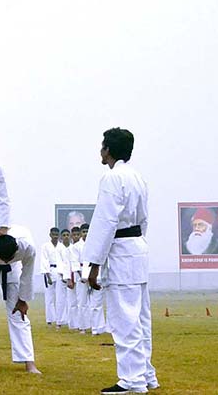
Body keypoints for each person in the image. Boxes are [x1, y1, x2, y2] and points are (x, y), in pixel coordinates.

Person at [83, 127, 159, 394]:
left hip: (121, 249)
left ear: (108, 150)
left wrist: (93, 264)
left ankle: (132, 380)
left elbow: (105, 222)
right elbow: (145, 219)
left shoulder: (112, 178)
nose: (100, 151)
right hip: (137, 247)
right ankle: (147, 374)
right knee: (140, 318)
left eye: (102, 146)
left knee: (124, 319)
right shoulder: (138, 177)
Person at [0, 224, 41, 374]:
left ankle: (29, 363)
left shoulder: (27, 244)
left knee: (19, 315)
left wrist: (23, 300)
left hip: (13, 270)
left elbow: (27, 273)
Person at [71, 224, 91, 333]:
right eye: (84, 232)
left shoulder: (94, 244)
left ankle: (95, 326)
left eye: (88, 232)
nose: (86, 234)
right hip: (81, 275)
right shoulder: (76, 246)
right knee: (82, 301)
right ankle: (82, 326)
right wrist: (82, 276)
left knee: (94, 302)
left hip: (93, 273)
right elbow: (75, 262)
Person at [38, 227, 60, 325]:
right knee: (49, 297)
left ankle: (61, 319)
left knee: (61, 297)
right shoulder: (45, 246)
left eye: (56, 234)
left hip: (60, 271)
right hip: (50, 271)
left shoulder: (62, 246)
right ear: (50, 235)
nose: (55, 236)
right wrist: (48, 276)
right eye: (53, 234)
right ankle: (50, 319)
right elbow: (44, 260)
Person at [64, 227, 81, 331]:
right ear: (71, 236)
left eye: (77, 235)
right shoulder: (68, 250)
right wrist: (68, 279)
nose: (76, 237)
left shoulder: (82, 247)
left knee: (81, 301)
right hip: (71, 276)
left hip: (79, 276)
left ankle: (81, 323)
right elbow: (66, 265)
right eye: (74, 235)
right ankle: (73, 324)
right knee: (72, 302)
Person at [54, 229, 70, 328]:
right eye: (64, 235)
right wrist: (63, 275)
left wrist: (69, 277)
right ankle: (59, 322)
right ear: (61, 237)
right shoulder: (58, 249)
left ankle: (70, 321)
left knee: (71, 300)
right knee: (60, 299)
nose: (66, 237)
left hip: (71, 277)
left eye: (68, 235)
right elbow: (59, 263)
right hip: (61, 276)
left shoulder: (72, 248)